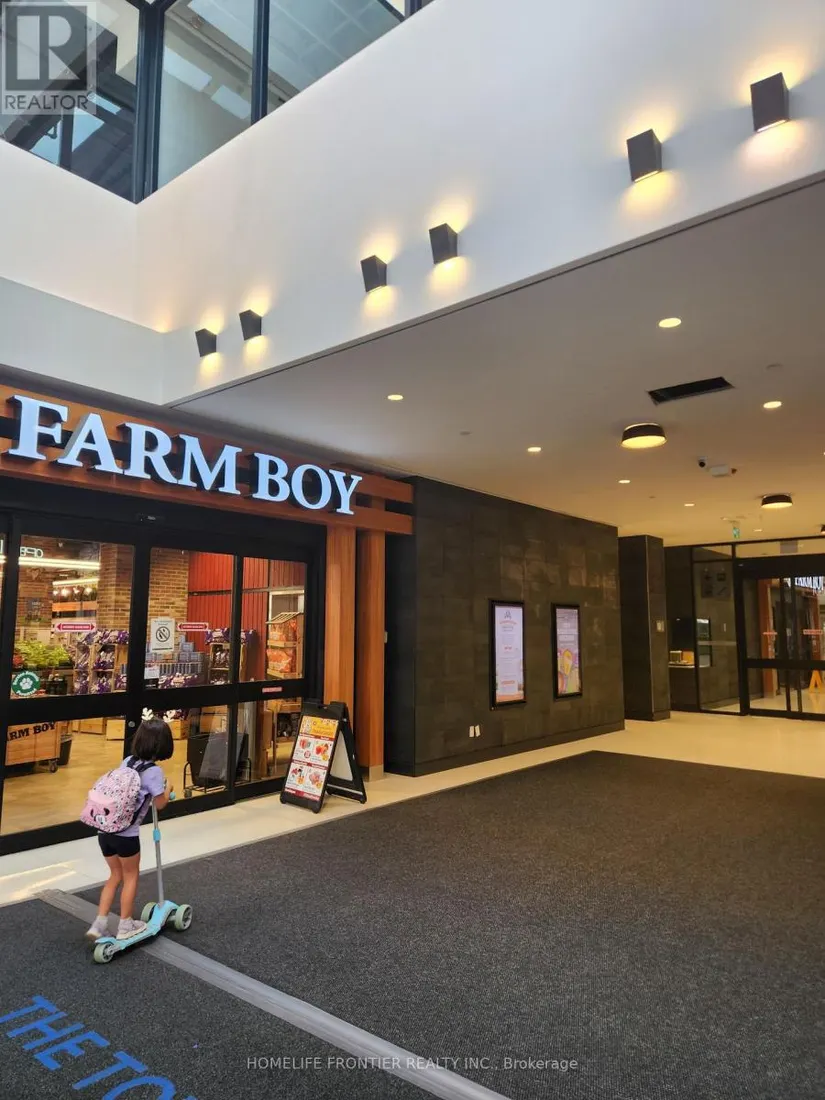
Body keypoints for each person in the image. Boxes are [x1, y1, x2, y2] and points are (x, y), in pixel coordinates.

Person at [85, 717, 174, 941]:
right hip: (127, 834)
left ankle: (99, 923)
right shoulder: (154, 772)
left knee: (114, 875)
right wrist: (168, 789)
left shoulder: (127, 761)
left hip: (105, 830)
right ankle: (125, 925)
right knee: (131, 875)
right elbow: (160, 804)